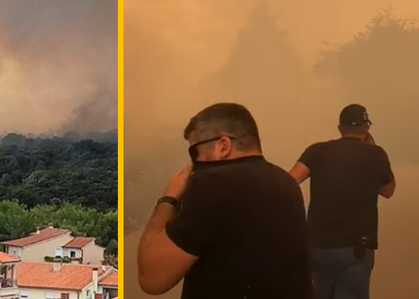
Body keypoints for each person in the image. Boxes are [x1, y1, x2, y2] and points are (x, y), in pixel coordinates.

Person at [137, 103, 313, 299]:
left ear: (223, 146)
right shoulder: (285, 181)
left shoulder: (214, 183)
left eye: (194, 153)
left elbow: (151, 279)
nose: (193, 162)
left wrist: (169, 197)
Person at [288, 104, 396, 299]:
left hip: (317, 247)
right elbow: (389, 191)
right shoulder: (375, 154)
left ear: (340, 128)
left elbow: (289, 181)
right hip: (356, 250)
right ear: (366, 128)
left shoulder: (317, 151)